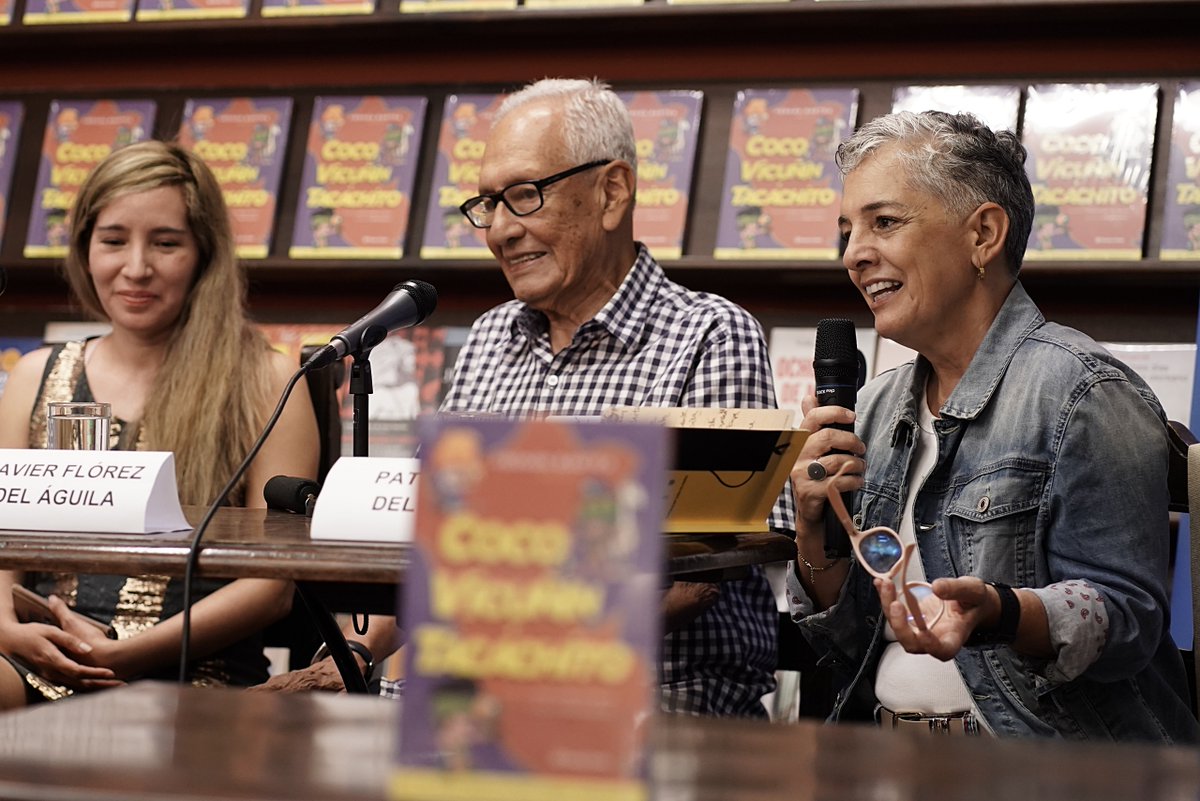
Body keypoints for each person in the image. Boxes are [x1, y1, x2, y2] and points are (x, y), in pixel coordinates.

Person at [262, 78, 795, 719]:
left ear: (612, 192)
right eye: (488, 204)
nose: (501, 231)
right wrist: (356, 661)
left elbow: (700, 574)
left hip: (649, 705)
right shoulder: (489, 337)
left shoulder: (708, 332)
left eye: (524, 196)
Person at [787, 110, 1198, 741]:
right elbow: (850, 641)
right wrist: (816, 531)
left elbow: (1129, 621)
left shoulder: (1084, 391)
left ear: (983, 234)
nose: (853, 255)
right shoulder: (870, 408)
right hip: (882, 754)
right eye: (847, 231)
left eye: (884, 222)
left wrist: (1004, 611)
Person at [0, 141, 319, 707]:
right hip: (33, 660)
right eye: (114, 240)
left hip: (196, 674)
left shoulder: (266, 379)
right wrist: (6, 627)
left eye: (166, 243)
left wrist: (120, 656)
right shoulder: (32, 376)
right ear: (85, 248)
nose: (136, 267)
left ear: (204, 254)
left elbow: (272, 587)